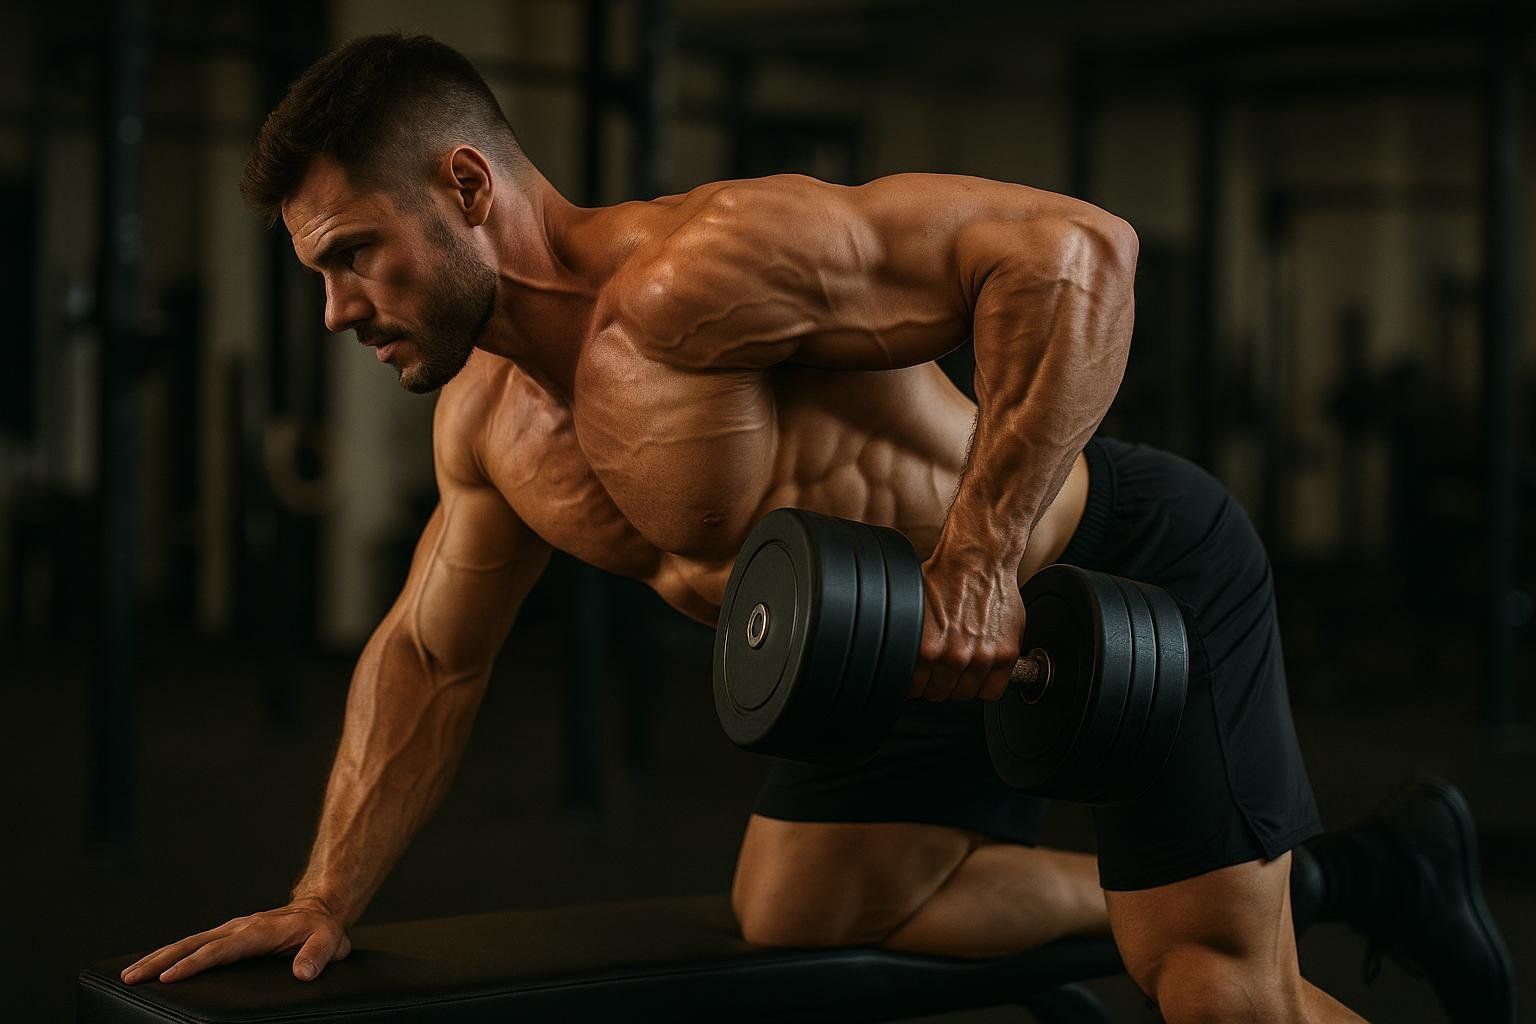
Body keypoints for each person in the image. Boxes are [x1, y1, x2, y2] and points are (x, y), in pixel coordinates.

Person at [120, 34, 1513, 1024]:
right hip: (900, 659)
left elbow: (1080, 251)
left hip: (1096, 575)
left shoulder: (696, 272)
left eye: (354, 253)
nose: (335, 308)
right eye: (318, 272)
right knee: (801, 908)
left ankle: (1226, 902)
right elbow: (433, 657)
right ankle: (1328, 874)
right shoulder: (487, 429)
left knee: (1212, 986)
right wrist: (322, 893)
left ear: (471, 189)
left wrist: (976, 554)